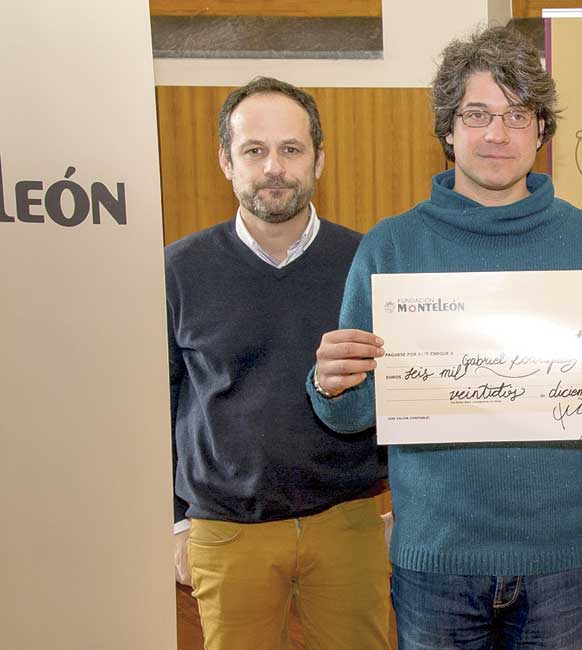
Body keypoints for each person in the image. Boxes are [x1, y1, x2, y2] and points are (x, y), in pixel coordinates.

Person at [306, 27, 582, 650]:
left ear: (542, 132)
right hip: (434, 560)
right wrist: (329, 383)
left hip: (558, 560)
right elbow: (352, 413)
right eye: (478, 114)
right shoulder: (392, 245)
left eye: (518, 115)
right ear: (447, 129)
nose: (497, 133)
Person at [167, 77, 390, 650]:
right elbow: (159, 404)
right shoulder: (177, 270)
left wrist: (400, 506)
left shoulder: (368, 263)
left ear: (319, 159)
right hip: (225, 530)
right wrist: (175, 521)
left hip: (347, 522)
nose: (274, 167)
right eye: (254, 150)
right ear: (226, 161)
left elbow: (401, 392)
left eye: (291, 149)